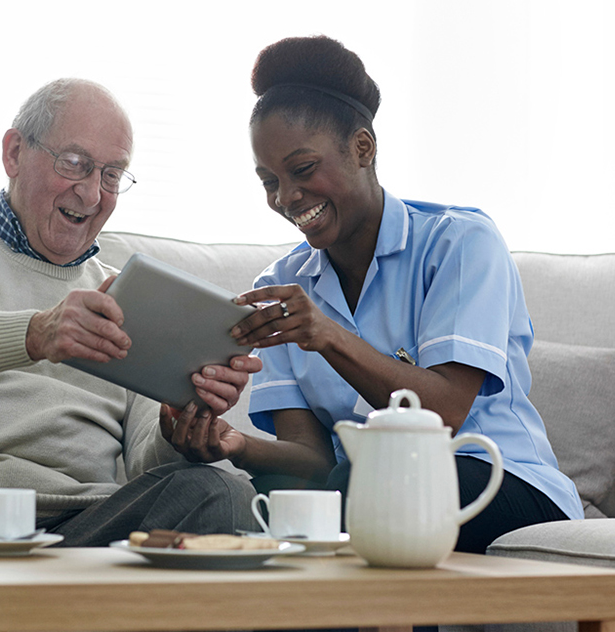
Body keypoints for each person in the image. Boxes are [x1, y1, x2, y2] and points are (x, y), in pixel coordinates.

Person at [158, 36, 583, 553]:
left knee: (361, 493)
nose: (286, 197)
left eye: (303, 169)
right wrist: (235, 445)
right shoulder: (282, 286)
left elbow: (444, 412)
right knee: (274, 499)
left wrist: (328, 336)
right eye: (268, 180)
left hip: (500, 482)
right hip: (368, 489)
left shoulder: (461, 244)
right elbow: (311, 458)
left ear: (363, 148)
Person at [0, 78, 261, 548]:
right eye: (76, 164)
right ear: (15, 153)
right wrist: (34, 334)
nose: (91, 194)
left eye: (111, 175)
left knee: (220, 493)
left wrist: (176, 429)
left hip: (84, 523)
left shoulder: (127, 295)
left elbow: (146, 462)